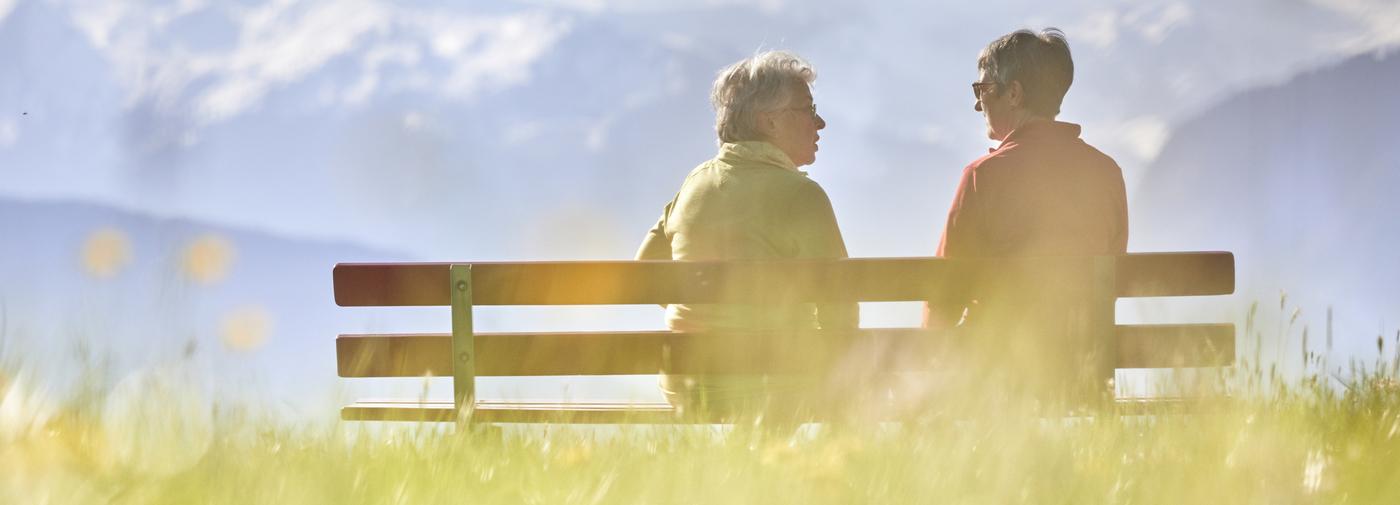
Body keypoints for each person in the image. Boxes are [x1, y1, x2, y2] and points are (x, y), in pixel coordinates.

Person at [635, 50, 858, 421]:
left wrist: (709, 314)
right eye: (807, 109)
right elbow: (840, 309)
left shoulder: (695, 183)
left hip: (688, 385)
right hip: (777, 384)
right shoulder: (802, 196)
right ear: (768, 122)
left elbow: (645, 272)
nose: (820, 122)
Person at [928, 29, 1129, 403]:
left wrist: (926, 368)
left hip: (999, 377)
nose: (977, 104)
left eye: (983, 90)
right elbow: (1112, 277)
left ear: (1015, 93)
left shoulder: (982, 177)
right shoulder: (1107, 173)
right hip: (1084, 366)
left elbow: (944, 295)